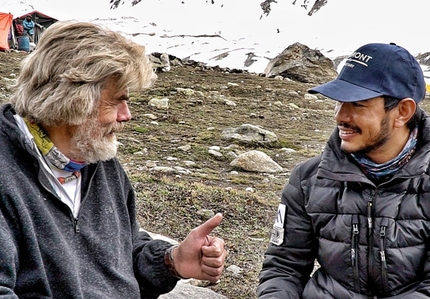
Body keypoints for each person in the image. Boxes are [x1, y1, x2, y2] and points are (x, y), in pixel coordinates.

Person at [0, 20, 227, 298]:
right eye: (117, 100)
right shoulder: (6, 174)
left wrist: (173, 261)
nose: (126, 115)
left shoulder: (101, 165)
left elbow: (123, 255)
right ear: (72, 99)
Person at [257, 42, 430, 298]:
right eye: (339, 102)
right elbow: (284, 268)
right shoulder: (308, 179)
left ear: (402, 112)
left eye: (358, 104)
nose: (340, 116)